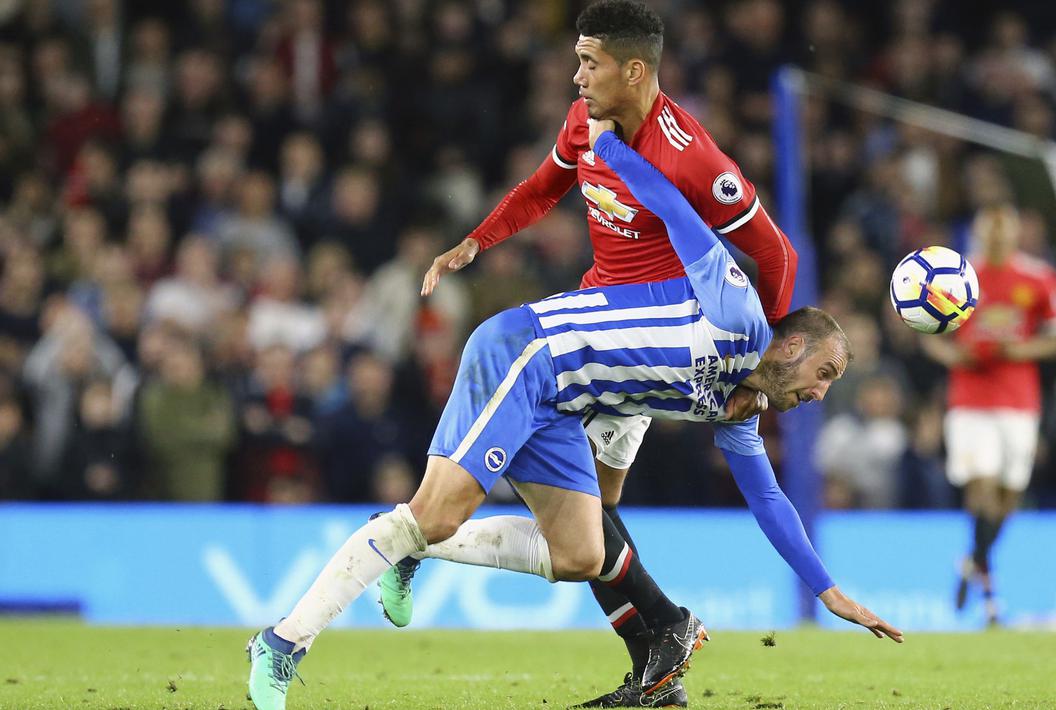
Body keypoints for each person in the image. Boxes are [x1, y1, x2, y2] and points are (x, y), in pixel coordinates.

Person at [247, 121, 901, 710]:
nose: (820, 393)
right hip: (526, 355)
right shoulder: (736, 312)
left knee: (582, 552)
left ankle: (409, 538)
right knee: (436, 513)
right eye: (824, 373)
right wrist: (609, 145)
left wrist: (826, 591)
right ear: (790, 344)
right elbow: (675, 210)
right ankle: (282, 642)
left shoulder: (737, 409)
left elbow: (768, 498)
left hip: (567, 402)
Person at [406, 3, 798, 704]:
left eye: (589, 62)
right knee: (592, 512)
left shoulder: (692, 157)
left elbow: (773, 252)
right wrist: (477, 240)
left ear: (634, 69)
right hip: (593, 326)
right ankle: (659, 655)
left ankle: (663, 630)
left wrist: (758, 367)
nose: (575, 74)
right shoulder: (581, 122)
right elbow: (541, 189)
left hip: (647, 347)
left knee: (581, 517)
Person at [919, 205, 1056, 626]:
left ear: (1017, 234)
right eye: (993, 233)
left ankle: (971, 562)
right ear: (982, 234)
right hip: (970, 400)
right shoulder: (960, 279)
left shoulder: (1038, 278)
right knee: (981, 489)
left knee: (1008, 498)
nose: (1000, 239)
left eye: (1007, 232)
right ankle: (990, 601)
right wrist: (952, 354)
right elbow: (926, 331)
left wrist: (1021, 350)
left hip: (1019, 401)